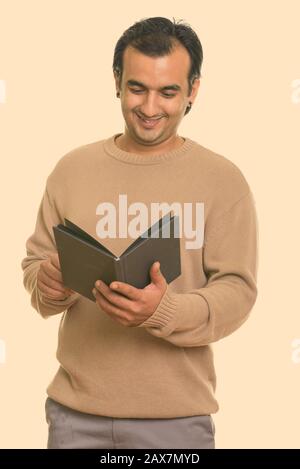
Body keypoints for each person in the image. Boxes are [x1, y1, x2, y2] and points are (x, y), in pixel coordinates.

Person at [21, 16, 258, 449]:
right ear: (116, 81)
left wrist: (162, 312)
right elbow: (36, 269)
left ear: (193, 90)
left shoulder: (224, 181)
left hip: (176, 423)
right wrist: (49, 283)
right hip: (75, 419)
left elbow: (238, 292)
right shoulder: (71, 170)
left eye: (168, 92)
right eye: (137, 88)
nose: (150, 108)